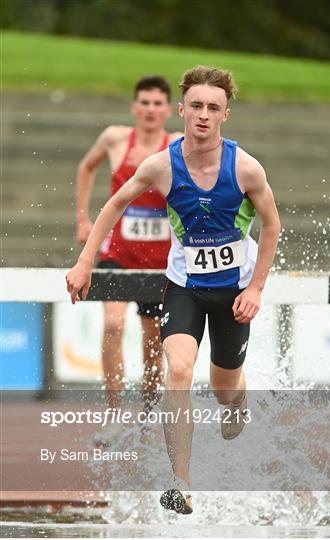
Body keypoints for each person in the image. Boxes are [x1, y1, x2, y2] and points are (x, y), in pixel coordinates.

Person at [67, 65, 281, 513]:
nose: (203, 115)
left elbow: (273, 224)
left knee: (224, 389)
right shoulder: (161, 165)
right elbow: (114, 203)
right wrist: (85, 261)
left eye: (214, 108)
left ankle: (237, 402)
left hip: (233, 292)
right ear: (181, 110)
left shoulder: (244, 168)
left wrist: (257, 289)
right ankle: (180, 481)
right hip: (184, 287)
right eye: (197, 106)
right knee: (179, 370)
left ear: (225, 115)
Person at [75, 76, 181, 410]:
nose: (150, 109)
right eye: (145, 103)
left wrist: (150, 171)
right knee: (112, 325)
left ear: (168, 109)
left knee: (153, 343)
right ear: (135, 107)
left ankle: (149, 413)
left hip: (160, 261)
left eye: (157, 103)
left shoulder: (177, 144)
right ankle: (115, 411)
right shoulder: (115, 138)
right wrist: (82, 218)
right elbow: (86, 167)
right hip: (118, 254)